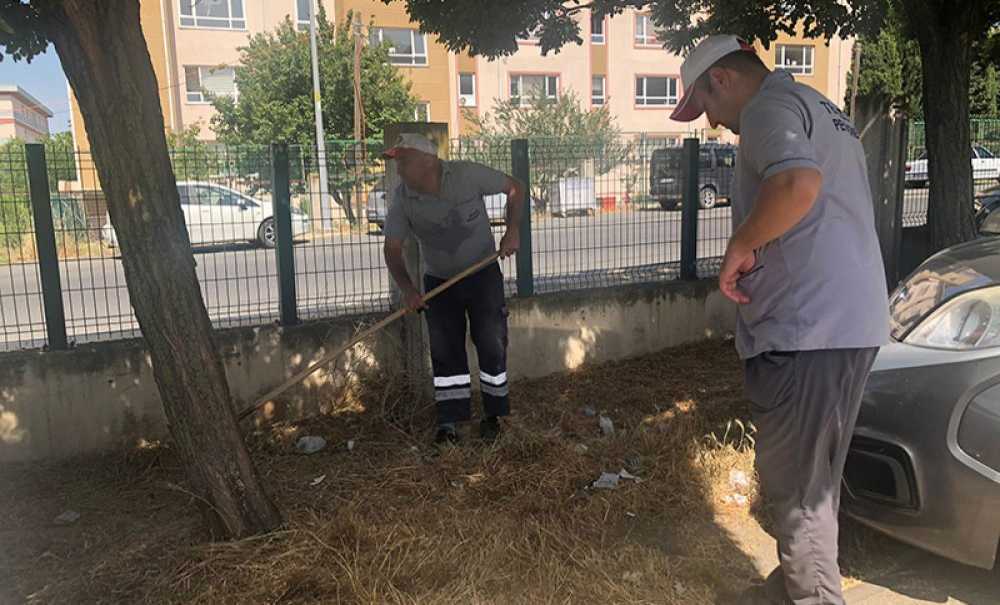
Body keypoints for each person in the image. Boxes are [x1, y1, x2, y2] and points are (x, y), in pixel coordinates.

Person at [671, 36, 890, 605]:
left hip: (804, 328)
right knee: (815, 486)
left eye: (705, 105)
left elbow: (797, 185)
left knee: (798, 499)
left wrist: (741, 243)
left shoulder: (766, 108)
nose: (712, 123)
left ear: (720, 79)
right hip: (850, 322)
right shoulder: (819, 105)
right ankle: (786, 593)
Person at [381, 133, 526, 446]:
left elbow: (516, 188)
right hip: (440, 283)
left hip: (482, 274)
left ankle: (495, 416)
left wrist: (512, 230)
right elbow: (392, 249)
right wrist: (408, 289)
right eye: (397, 163)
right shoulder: (403, 199)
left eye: (403, 161)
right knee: (446, 353)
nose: (399, 169)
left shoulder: (467, 175)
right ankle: (450, 422)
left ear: (427, 161)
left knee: (491, 343)